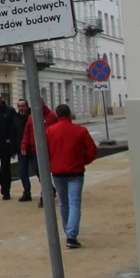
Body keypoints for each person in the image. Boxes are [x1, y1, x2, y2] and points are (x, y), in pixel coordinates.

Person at [45, 104, 98, 249]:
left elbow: (44, 152)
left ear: (56, 115)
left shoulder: (50, 131)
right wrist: (83, 160)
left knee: (63, 203)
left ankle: (66, 230)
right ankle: (71, 235)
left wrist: (52, 162)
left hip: (57, 172)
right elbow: (92, 150)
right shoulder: (80, 131)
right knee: (75, 202)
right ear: (70, 114)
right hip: (75, 171)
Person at [21, 100, 58, 207]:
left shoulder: (51, 116)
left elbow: (55, 132)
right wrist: (24, 145)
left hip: (46, 150)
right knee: (38, 171)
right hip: (34, 150)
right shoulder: (31, 117)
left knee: (44, 173)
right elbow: (27, 133)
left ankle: (45, 195)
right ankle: (50, 189)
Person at [13, 99, 32, 201]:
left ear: (27, 106)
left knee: (39, 171)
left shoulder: (32, 117)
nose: (21, 108)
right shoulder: (16, 118)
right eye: (19, 106)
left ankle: (49, 189)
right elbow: (13, 134)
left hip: (33, 149)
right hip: (21, 150)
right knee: (22, 172)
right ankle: (27, 192)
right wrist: (13, 150)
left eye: (23, 106)